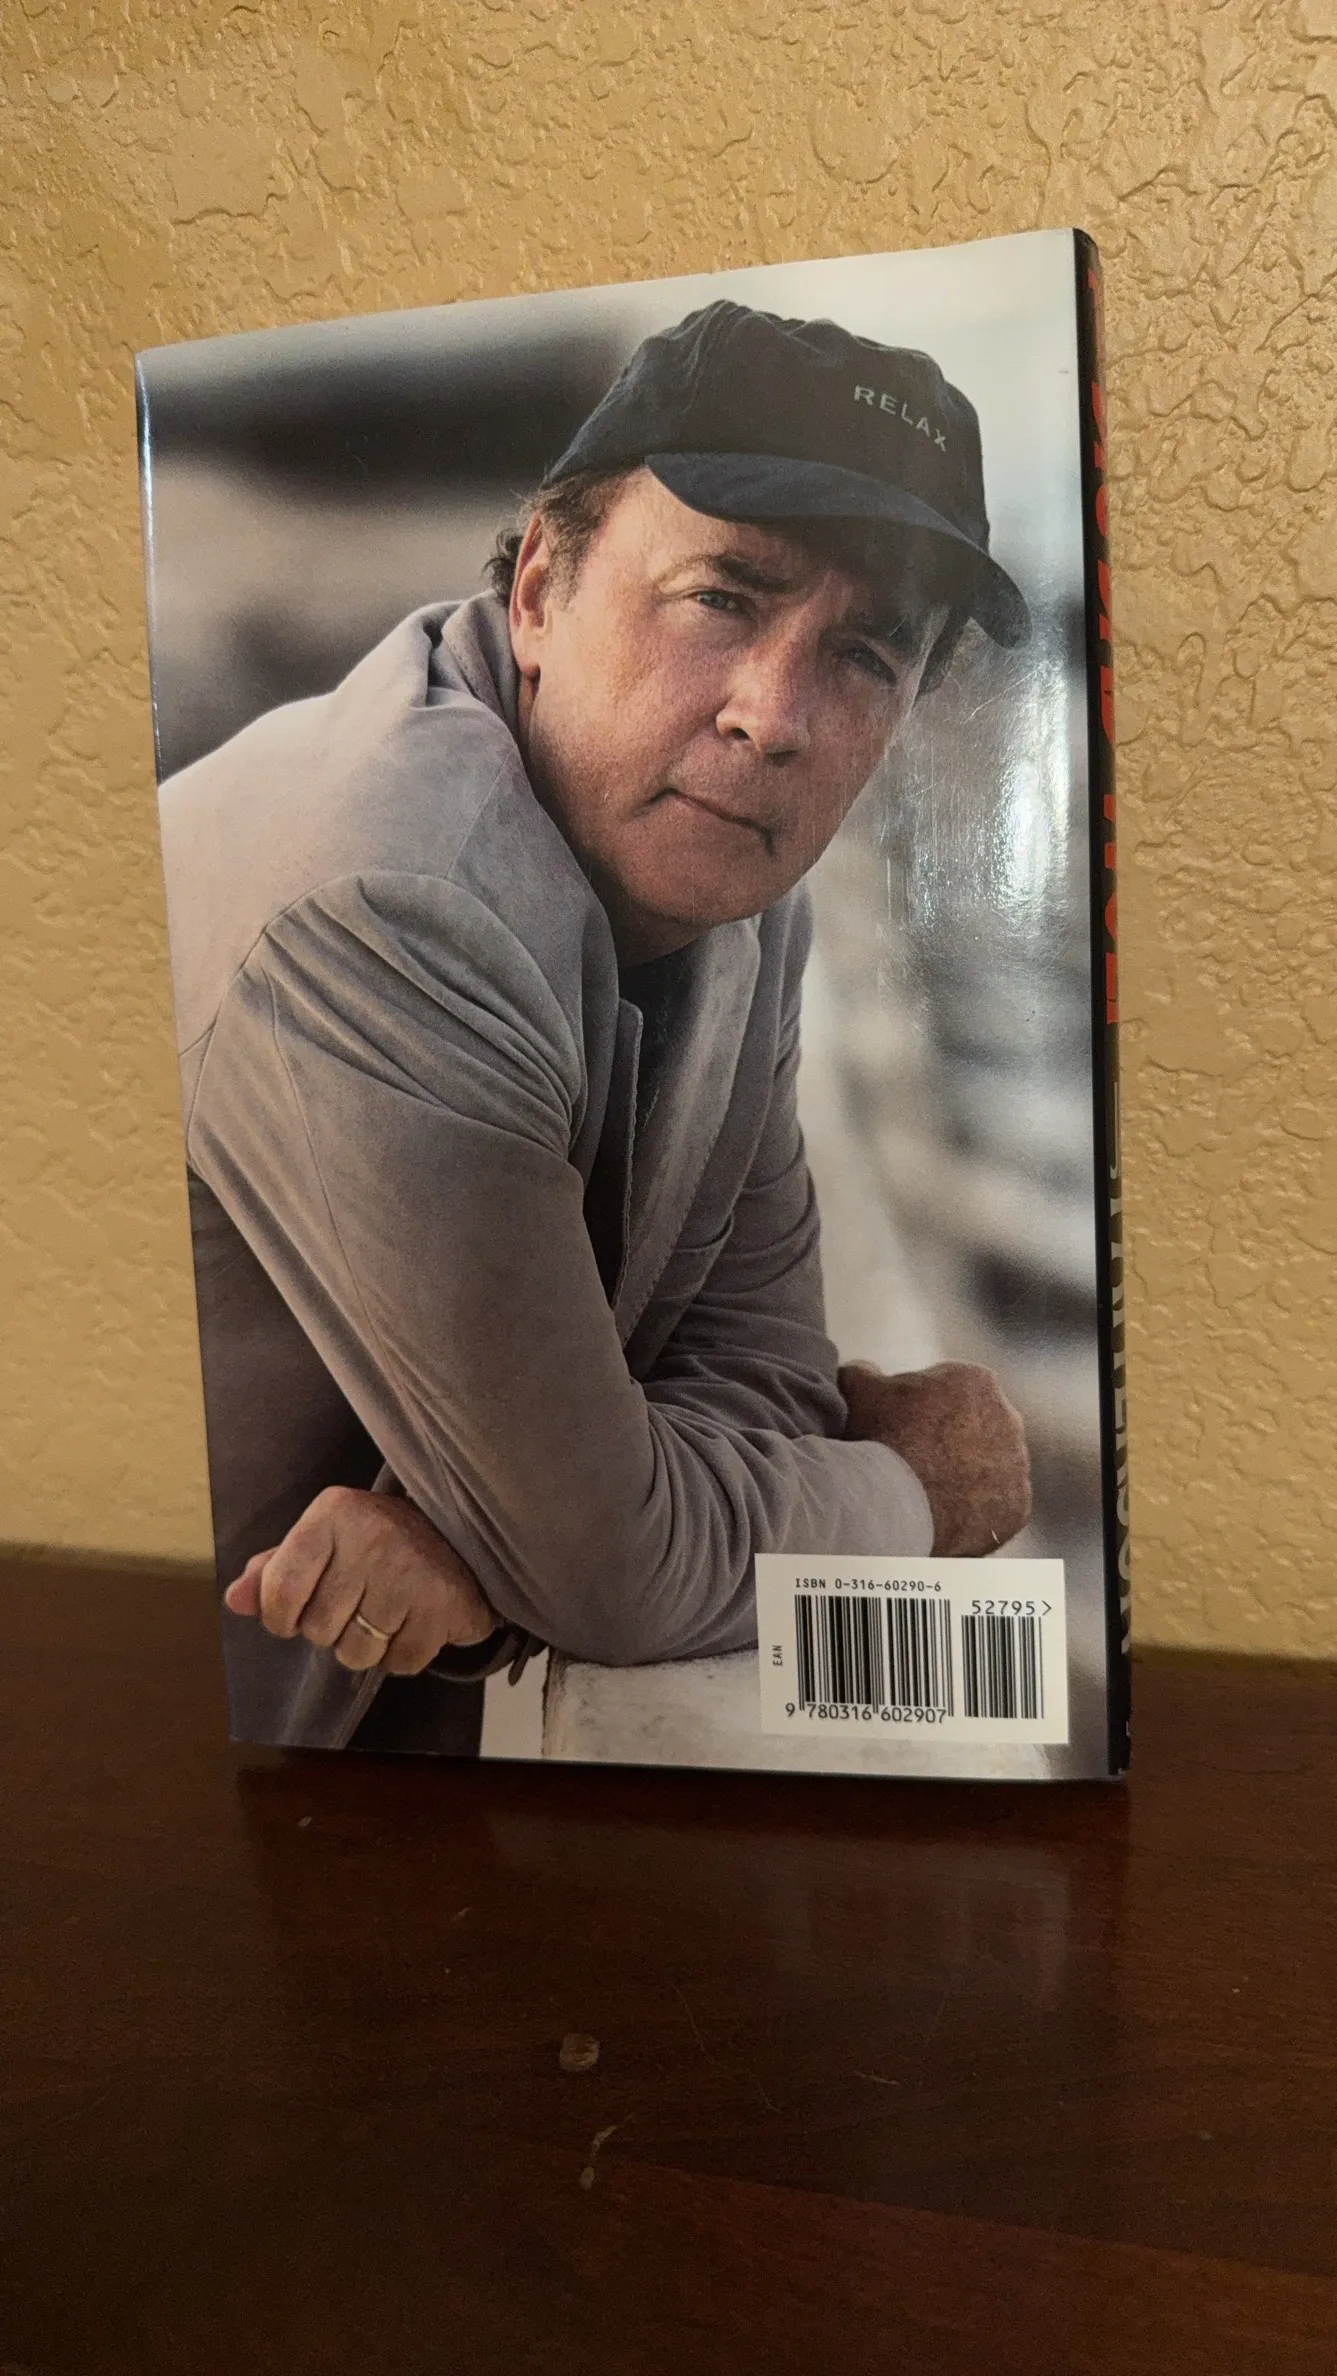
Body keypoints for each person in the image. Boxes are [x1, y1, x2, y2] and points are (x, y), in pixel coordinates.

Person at [156, 298, 1033, 1753]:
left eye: (866, 656)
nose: (774, 717)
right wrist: (920, 1493)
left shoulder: (733, 896)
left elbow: (759, 1384)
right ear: (539, 593)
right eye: (723, 598)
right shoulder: (391, 900)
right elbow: (619, 1564)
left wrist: (499, 1552)